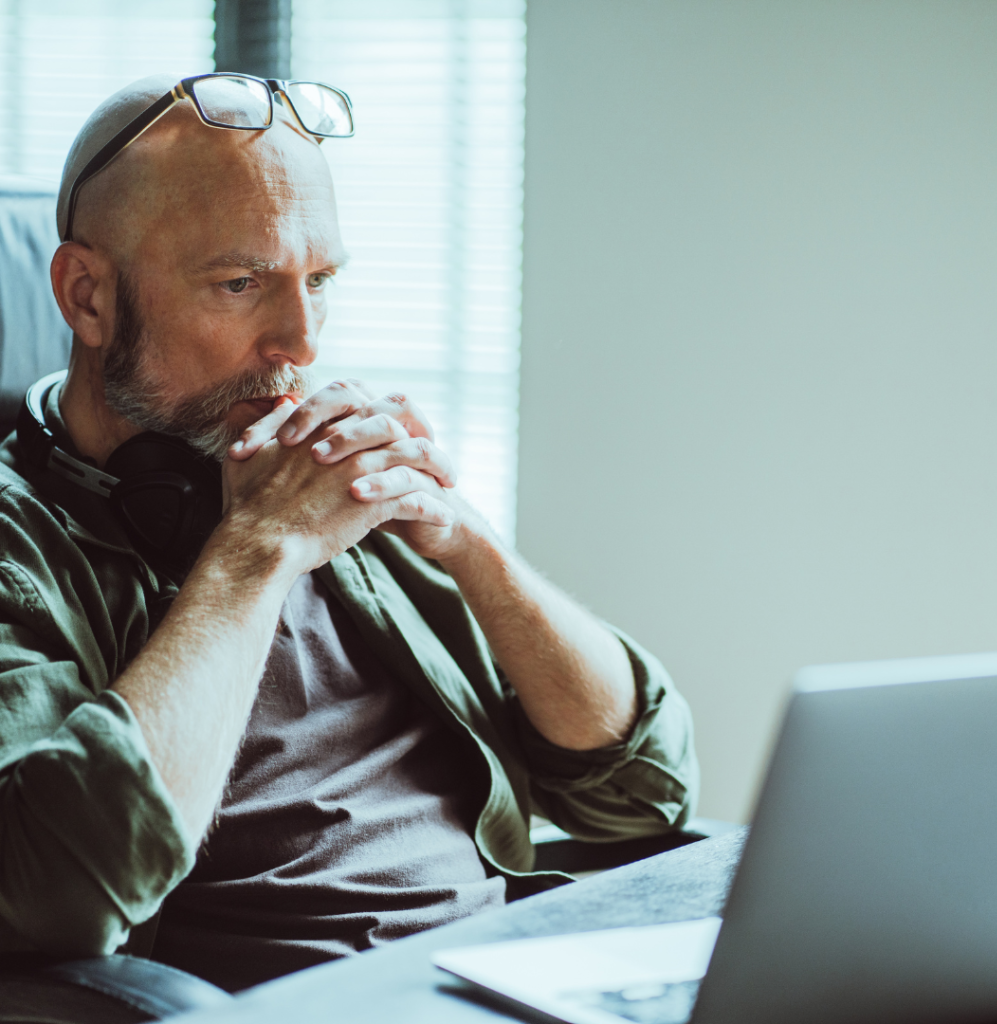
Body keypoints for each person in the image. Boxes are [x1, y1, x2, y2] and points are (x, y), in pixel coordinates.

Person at [0, 73, 698, 993]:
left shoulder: (338, 486)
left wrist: (467, 544)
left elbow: (642, 792)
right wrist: (257, 553)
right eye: (241, 282)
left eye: (319, 280)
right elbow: (56, 891)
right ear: (87, 296)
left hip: (501, 978)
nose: (301, 339)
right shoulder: (25, 543)